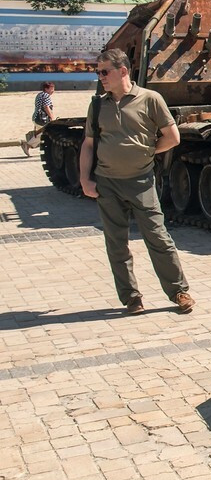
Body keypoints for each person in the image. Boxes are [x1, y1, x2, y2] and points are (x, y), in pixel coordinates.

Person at [80, 49, 194, 315]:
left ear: (122, 71)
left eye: (104, 72)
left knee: (158, 238)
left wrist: (147, 152)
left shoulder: (150, 99)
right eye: (98, 72)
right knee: (116, 243)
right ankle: (131, 298)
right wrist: (85, 179)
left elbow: (172, 137)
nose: (101, 77)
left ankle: (179, 291)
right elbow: (88, 144)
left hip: (141, 182)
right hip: (107, 184)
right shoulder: (97, 105)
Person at [20, 81, 55, 156]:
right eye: (51, 88)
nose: (53, 90)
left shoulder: (40, 94)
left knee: (41, 134)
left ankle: (27, 145)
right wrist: (52, 117)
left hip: (36, 117)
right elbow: (46, 107)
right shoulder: (46, 95)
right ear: (46, 89)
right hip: (41, 119)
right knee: (49, 132)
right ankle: (28, 145)